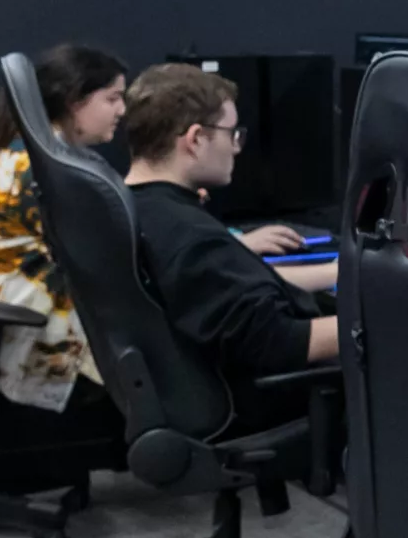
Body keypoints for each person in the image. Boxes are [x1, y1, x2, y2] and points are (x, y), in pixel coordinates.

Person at [0, 43, 129, 410]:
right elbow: (108, 251)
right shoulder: (32, 171)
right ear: (74, 99)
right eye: (112, 98)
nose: (122, 111)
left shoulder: (32, 157)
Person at [120, 63, 337, 420]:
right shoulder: (190, 235)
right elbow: (278, 341)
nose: (236, 148)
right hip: (255, 400)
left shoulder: (143, 210)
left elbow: (233, 288)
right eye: (231, 134)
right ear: (195, 139)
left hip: (195, 393)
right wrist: (384, 321)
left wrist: (341, 272)